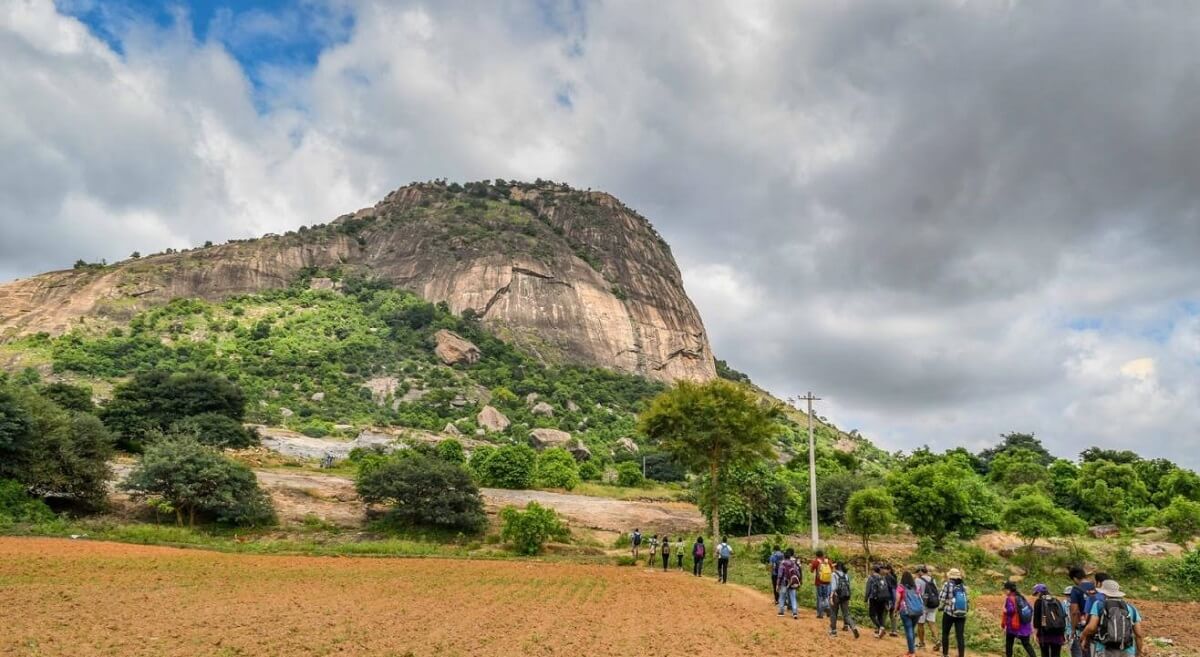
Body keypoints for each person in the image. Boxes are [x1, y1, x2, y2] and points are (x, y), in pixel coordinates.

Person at [1080, 579, 1143, 657]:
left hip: (1104, 649)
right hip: (1127, 650)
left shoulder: (1099, 605)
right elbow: (1139, 634)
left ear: (1103, 593)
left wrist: (1083, 636)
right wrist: (1139, 652)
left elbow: (1091, 627)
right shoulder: (1131, 608)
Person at [939, 568, 969, 657]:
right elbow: (967, 600)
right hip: (961, 614)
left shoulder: (947, 584)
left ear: (950, 576)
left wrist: (947, 603)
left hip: (949, 613)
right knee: (960, 636)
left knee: (945, 633)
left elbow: (941, 598)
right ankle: (961, 655)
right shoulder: (963, 586)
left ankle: (945, 654)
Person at [1033, 583, 1069, 657]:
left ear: (1039, 593)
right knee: (1056, 654)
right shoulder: (1056, 601)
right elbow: (1062, 616)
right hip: (1058, 632)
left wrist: (1035, 634)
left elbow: (1036, 620)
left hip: (1044, 633)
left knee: (1044, 654)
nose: (1036, 595)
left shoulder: (1039, 602)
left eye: (1036, 593)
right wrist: (1063, 633)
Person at [1003, 581, 1037, 657]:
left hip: (1014, 625)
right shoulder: (1021, 597)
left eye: (1005, 589)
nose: (1004, 591)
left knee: (1009, 643)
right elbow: (1030, 609)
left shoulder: (1010, 598)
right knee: (1026, 644)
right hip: (1025, 625)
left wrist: (1005, 610)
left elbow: (1011, 610)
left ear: (1009, 590)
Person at [828, 561, 860, 638]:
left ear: (836, 567)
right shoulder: (846, 575)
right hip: (845, 596)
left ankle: (833, 631)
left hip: (836, 596)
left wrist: (831, 597)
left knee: (833, 613)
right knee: (846, 614)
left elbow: (833, 587)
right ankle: (853, 627)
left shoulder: (834, 574)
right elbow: (848, 585)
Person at [1067, 567, 1093, 657]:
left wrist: (1073, 629)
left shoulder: (1076, 589)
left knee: (1084, 650)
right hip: (1096, 625)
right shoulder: (1096, 587)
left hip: (1084, 626)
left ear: (1074, 578)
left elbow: (1074, 611)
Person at [898, 571, 924, 657]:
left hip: (906, 611)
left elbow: (897, 599)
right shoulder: (916, 588)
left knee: (909, 630)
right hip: (917, 611)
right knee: (912, 629)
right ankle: (911, 650)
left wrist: (895, 609)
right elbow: (920, 598)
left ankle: (911, 652)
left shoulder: (901, 587)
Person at [915, 565, 940, 650]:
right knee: (932, 623)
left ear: (920, 572)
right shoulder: (933, 580)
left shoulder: (918, 580)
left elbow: (917, 592)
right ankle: (937, 640)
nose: (917, 574)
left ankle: (922, 643)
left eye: (917, 572)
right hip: (932, 604)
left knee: (920, 624)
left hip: (922, 605)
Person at [866, 564, 890, 638]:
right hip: (883, 598)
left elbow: (868, 589)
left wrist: (866, 599)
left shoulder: (871, 578)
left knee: (872, 614)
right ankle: (881, 631)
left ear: (873, 570)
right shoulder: (883, 578)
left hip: (874, 598)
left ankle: (880, 628)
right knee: (880, 615)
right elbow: (886, 589)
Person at [777, 548, 801, 619]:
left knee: (782, 597)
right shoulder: (793, 564)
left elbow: (780, 575)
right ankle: (795, 612)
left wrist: (778, 584)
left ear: (784, 556)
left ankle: (781, 612)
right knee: (793, 598)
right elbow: (798, 574)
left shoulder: (782, 564)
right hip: (792, 583)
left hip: (784, 583)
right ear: (790, 557)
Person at [810, 549, 834, 619]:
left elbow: (811, 571)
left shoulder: (816, 561)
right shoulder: (828, 561)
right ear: (823, 555)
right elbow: (832, 570)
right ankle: (828, 608)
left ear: (816, 555)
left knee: (820, 597)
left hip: (819, 582)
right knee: (826, 597)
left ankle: (820, 614)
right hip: (828, 582)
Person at [885, 563, 900, 637]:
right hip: (894, 598)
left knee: (884, 613)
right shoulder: (894, 576)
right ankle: (894, 630)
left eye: (885, 569)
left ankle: (881, 628)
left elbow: (887, 588)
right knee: (893, 614)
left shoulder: (886, 577)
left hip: (888, 597)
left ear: (889, 570)